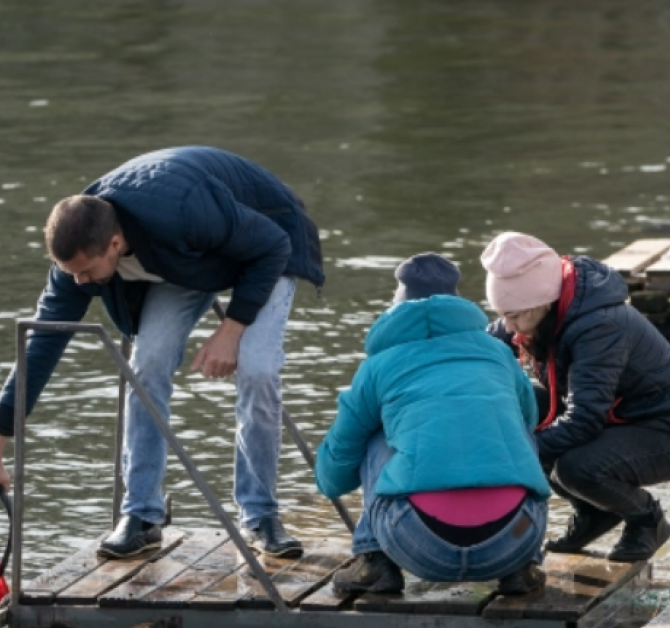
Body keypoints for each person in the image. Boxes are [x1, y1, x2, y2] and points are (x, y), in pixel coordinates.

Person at [0, 146, 324, 559]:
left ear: (115, 243)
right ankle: (141, 516)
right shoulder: (79, 250)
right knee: (147, 361)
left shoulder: (182, 211)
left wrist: (232, 327)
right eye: (71, 273)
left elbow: (271, 245)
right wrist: (0, 436)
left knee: (258, 369)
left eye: (85, 272)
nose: (79, 282)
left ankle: (260, 514)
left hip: (269, 243)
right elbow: (42, 342)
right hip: (188, 259)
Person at [315, 253, 550, 595]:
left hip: (418, 543)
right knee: (516, 431)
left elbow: (333, 479)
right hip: (514, 538)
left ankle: (373, 562)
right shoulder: (499, 354)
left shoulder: (379, 366)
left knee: (375, 431)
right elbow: (529, 420)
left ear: (398, 305)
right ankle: (524, 567)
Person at [480, 232, 670, 562]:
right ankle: (595, 513)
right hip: (612, 419)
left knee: (573, 467)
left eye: (515, 317)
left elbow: (584, 418)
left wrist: (520, 452)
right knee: (519, 407)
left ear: (544, 303)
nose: (510, 327)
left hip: (667, 431)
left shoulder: (599, 325)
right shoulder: (530, 306)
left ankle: (646, 520)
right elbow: (482, 349)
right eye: (503, 315)